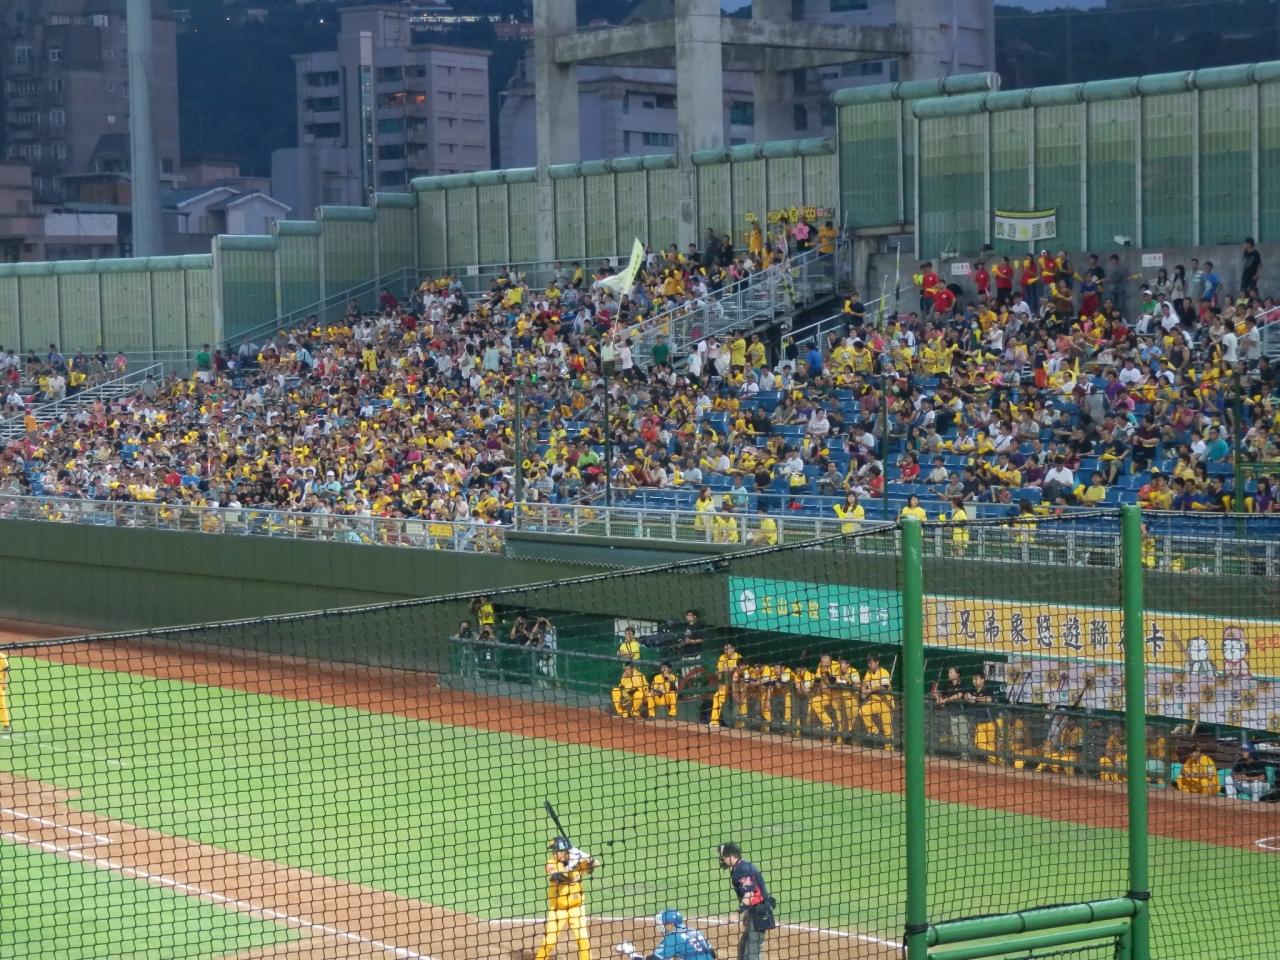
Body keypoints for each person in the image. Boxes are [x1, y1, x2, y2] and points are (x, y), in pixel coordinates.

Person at [534, 836, 599, 960]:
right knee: (549, 941)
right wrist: (571, 865)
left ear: (564, 850)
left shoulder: (577, 859)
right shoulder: (551, 863)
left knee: (583, 940)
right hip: (558, 910)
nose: (553, 853)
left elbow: (596, 864)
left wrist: (584, 856)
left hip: (577, 908)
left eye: (555, 851)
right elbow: (558, 877)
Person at [717, 843, 775, 960]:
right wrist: (747, 912)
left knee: (752, 952)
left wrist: (738, 913)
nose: (721, 860)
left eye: (723, 857)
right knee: (743, 948)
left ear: (730, 856)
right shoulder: (742, 867)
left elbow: (749, 895)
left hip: (759, 913)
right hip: (756, 911)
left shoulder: (742, 870)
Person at [616, 909, 715, 960]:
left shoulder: (673, 937)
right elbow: (712, 954)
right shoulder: (696, 932)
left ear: (670, 925)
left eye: (663, 924)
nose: (662, 927)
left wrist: (631, 953)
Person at [860, 653, 894, 750]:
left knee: (887, 729)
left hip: (885, 702)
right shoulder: (868, 673)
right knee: (863, 711)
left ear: (877, 662)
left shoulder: (884, 672)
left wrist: (870, 690)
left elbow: (884, 686)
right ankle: (874, 731)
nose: (869, 665)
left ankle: (889, 750)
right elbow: (864, 685)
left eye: (871, 662)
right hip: (874, 701)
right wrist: (863, 689)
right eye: (868, 663)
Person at [709, 643, 741, 728]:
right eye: (725, 649)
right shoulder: (722, 657)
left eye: (728, 648)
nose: (726, 651)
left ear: (733, 649)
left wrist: (728, 669)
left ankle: (740, 726)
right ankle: (714, 722)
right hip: (726, 683)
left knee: (739, 702)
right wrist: (720, 683)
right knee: (717, 696)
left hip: (738, 684)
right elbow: (719, 672)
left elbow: (738, 670)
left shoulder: (738, 657)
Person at [0, 649, 9, 732]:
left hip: (0, 684)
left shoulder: (2, 656)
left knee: (2, 704)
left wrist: (5, 682)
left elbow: (6, 670)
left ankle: (6, 724)